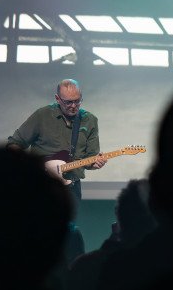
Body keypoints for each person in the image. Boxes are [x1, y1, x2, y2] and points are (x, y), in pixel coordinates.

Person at [7, 79, 105, 216]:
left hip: (71, 187)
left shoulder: (90, 120)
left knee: (67, 230)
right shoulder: (42, 115)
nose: (73, 106)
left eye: (77, 101)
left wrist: (95, 163)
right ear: (57, 98)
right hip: (40, 185)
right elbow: (15, 143)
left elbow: (90, 159)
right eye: (68, 102)